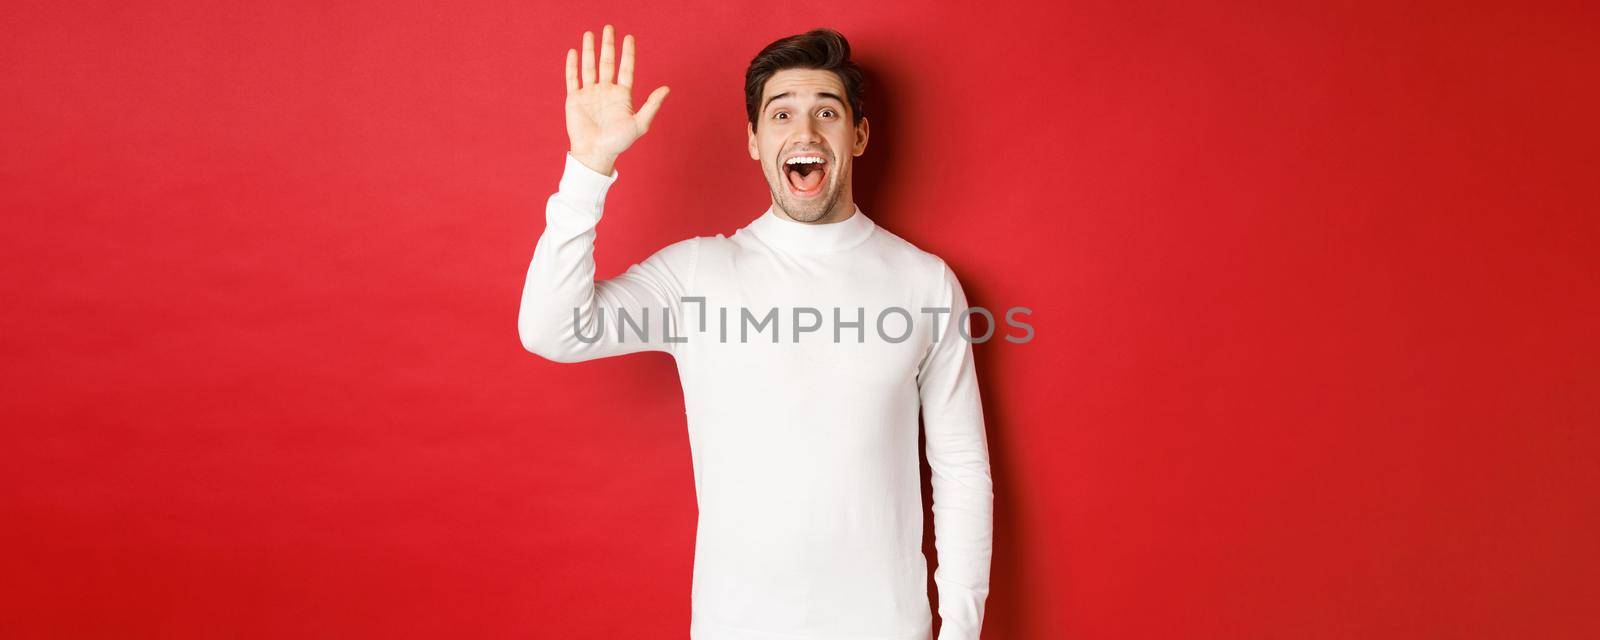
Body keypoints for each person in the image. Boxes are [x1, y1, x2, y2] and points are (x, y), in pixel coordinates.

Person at [518, 24, 994, 640]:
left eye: (827, 111)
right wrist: (588, 167)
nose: (805, 132)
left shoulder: (924, 283)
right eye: (781, 114)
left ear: (859, 135)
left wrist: (958, 632)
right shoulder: (696, 274)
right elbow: (553, 330)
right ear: (753, 140)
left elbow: (959, 468)